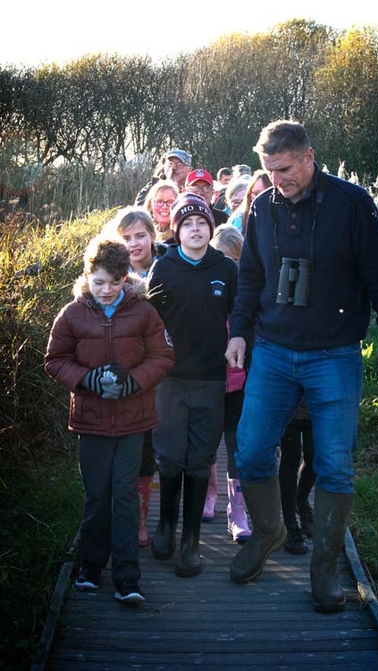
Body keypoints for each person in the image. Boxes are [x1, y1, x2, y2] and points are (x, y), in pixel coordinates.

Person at [225, 119, 378, 613]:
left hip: (334, 354)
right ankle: (268, 532)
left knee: (335, 466)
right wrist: (239, 331)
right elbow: (249, 280)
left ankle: (324, 568)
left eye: (284, 169)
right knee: (252, 448)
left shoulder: (352, 203)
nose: (276, 180)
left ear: (308, 156)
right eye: (268, 170)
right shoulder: (261, 208)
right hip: (274, 351)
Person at [44, 236, 174, 604]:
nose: (106, 290)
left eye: (114, 283)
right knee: (97, 496)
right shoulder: (72, 313)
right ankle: (90, 567)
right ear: (88, 277)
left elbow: (163, 357)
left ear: (125, 279)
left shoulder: (144, 312)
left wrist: (133, 382)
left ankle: (127, 577)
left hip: (133, 421)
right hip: (90, 422)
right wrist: (87, 380)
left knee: (125, 496)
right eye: (99, 282)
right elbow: (55, 360)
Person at [148, 193, 238, 577]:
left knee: (201, 460)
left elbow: (240, 317)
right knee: (169, 456)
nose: (195, 229)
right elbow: (147, 321)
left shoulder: (226, 269)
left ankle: (191, 542)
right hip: (170, 379)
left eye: (201, 222)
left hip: (210, 379)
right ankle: (166, 525)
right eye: (187, 224)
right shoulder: (163, 268)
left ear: (210, 228)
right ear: (177, 230)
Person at [103, 207, 166, 547]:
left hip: (164, 369)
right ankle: (134, 516)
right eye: (125, 238)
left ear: (153, 235)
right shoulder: (109, 273)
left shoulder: (169, 267)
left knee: (160, 444)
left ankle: (155, 515)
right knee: (134, 444)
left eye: (140, 235)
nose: (133, 243)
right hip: (126, 372)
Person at [208, 224, 252, 542]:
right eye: (222, 258)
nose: (228, 266)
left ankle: (237, 510)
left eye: (234, 259)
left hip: (241, 383)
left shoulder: (249, 297)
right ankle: (207, 496)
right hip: (208, 381)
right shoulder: (206, 292)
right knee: (206, 446)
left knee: (236, 447)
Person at [279, 399, 315, 555]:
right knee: (289, 458)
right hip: (287, 400)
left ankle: (301, 500)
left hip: (315, 399)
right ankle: (290, 525)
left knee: (315, 457)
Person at [229, 169, 272, 235]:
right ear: (249, 194)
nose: (260, 198)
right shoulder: (239, 220)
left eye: (265, 193)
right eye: (256, 193)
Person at [142, 180, 179, 244]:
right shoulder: (141, 232)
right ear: (150, 205)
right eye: (159, 201)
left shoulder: (181, 236)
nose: (164, 206)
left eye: (170, 202)